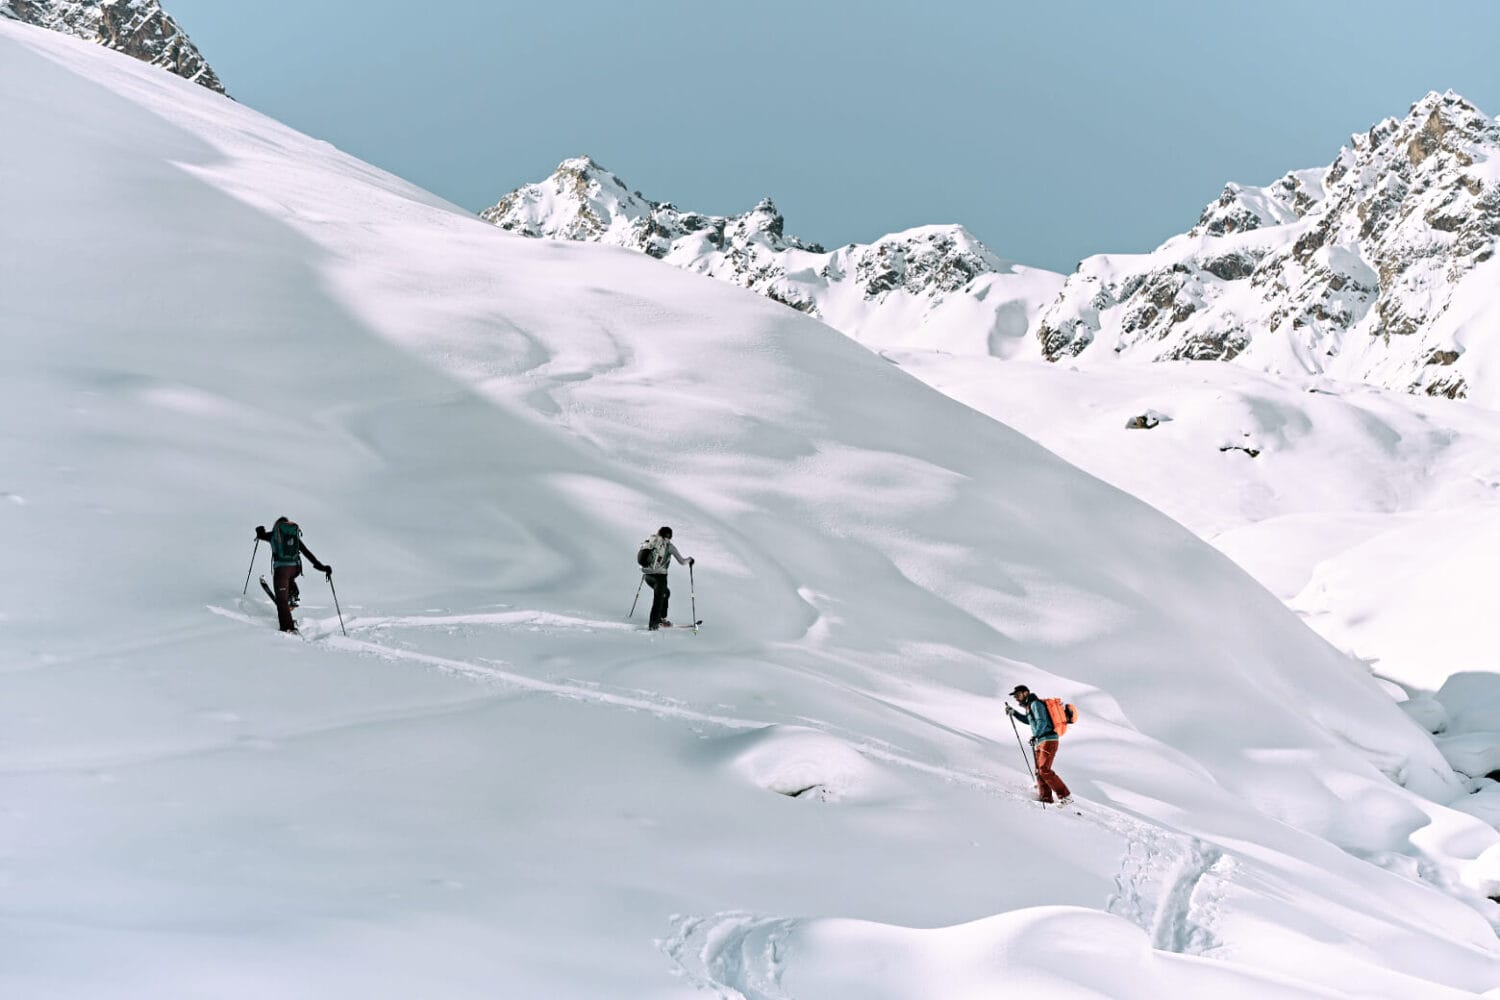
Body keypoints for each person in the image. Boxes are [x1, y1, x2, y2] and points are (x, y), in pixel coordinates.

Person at [255, 516, 331, 633]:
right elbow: (307, 553)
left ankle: (288, 628)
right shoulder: (294, 537)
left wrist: (259, 531)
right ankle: (293, 595)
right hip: (295, 569)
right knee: (290, 579)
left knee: (282, 601)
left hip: (282, 571)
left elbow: (261, 536)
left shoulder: (273, 535)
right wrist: (322, 567)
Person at [1006, 684, 1072, 805]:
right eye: (1015, 696)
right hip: (1041, 741)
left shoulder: (1035, 704)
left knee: (1044, 769)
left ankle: (1065, 795)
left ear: (1026, 693)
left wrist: (1036, 735)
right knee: (1039, 771)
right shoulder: (1029, 707)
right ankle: (1046, 798)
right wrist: (1013, 712)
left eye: (1018, 695)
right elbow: (1028, 720)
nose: (1016, 698)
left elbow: (1042, 721)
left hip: (1048, 739)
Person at [640, 525, 692, 630]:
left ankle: (660, 619)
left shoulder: (651, 540)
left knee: (666, 593)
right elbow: (682, 562)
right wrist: (690, 560)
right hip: (660, 577)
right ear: (670, 536)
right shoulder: (669, 547)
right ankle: (654, 624)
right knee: (658, 600)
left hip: (647, 576)